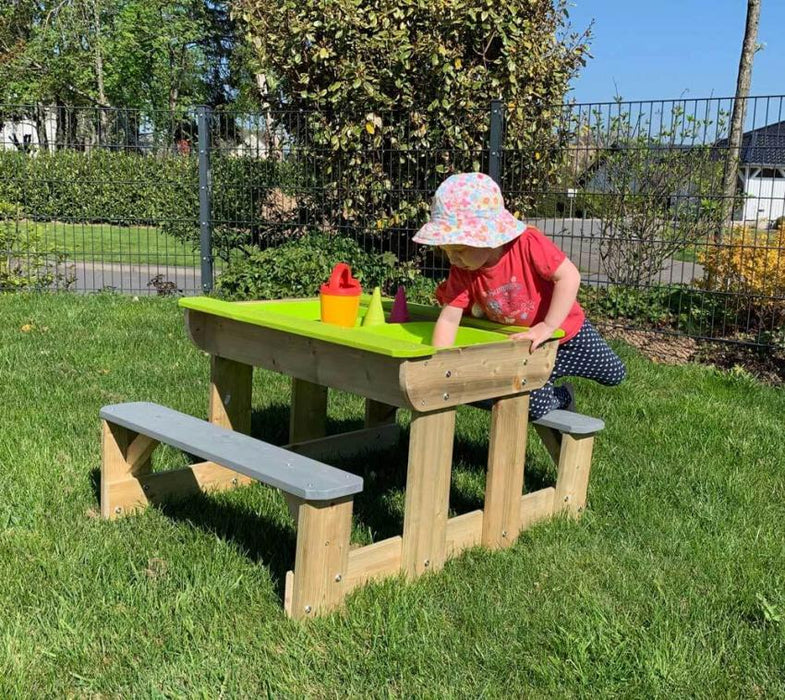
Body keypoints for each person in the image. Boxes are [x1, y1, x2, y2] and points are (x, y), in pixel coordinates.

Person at [413, 172, 625, 419]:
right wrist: (440, 363)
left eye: (459, 249)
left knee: (614, 373)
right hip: (525, 345)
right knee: (531, 407)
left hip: (567, 332)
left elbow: (569, 276)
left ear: (488, 237)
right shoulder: (462, 269)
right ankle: (563, 396)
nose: (452, 258)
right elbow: (449, 318)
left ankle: (553, 375)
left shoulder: (527, 243)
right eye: (446, 250)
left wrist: (548, 325)